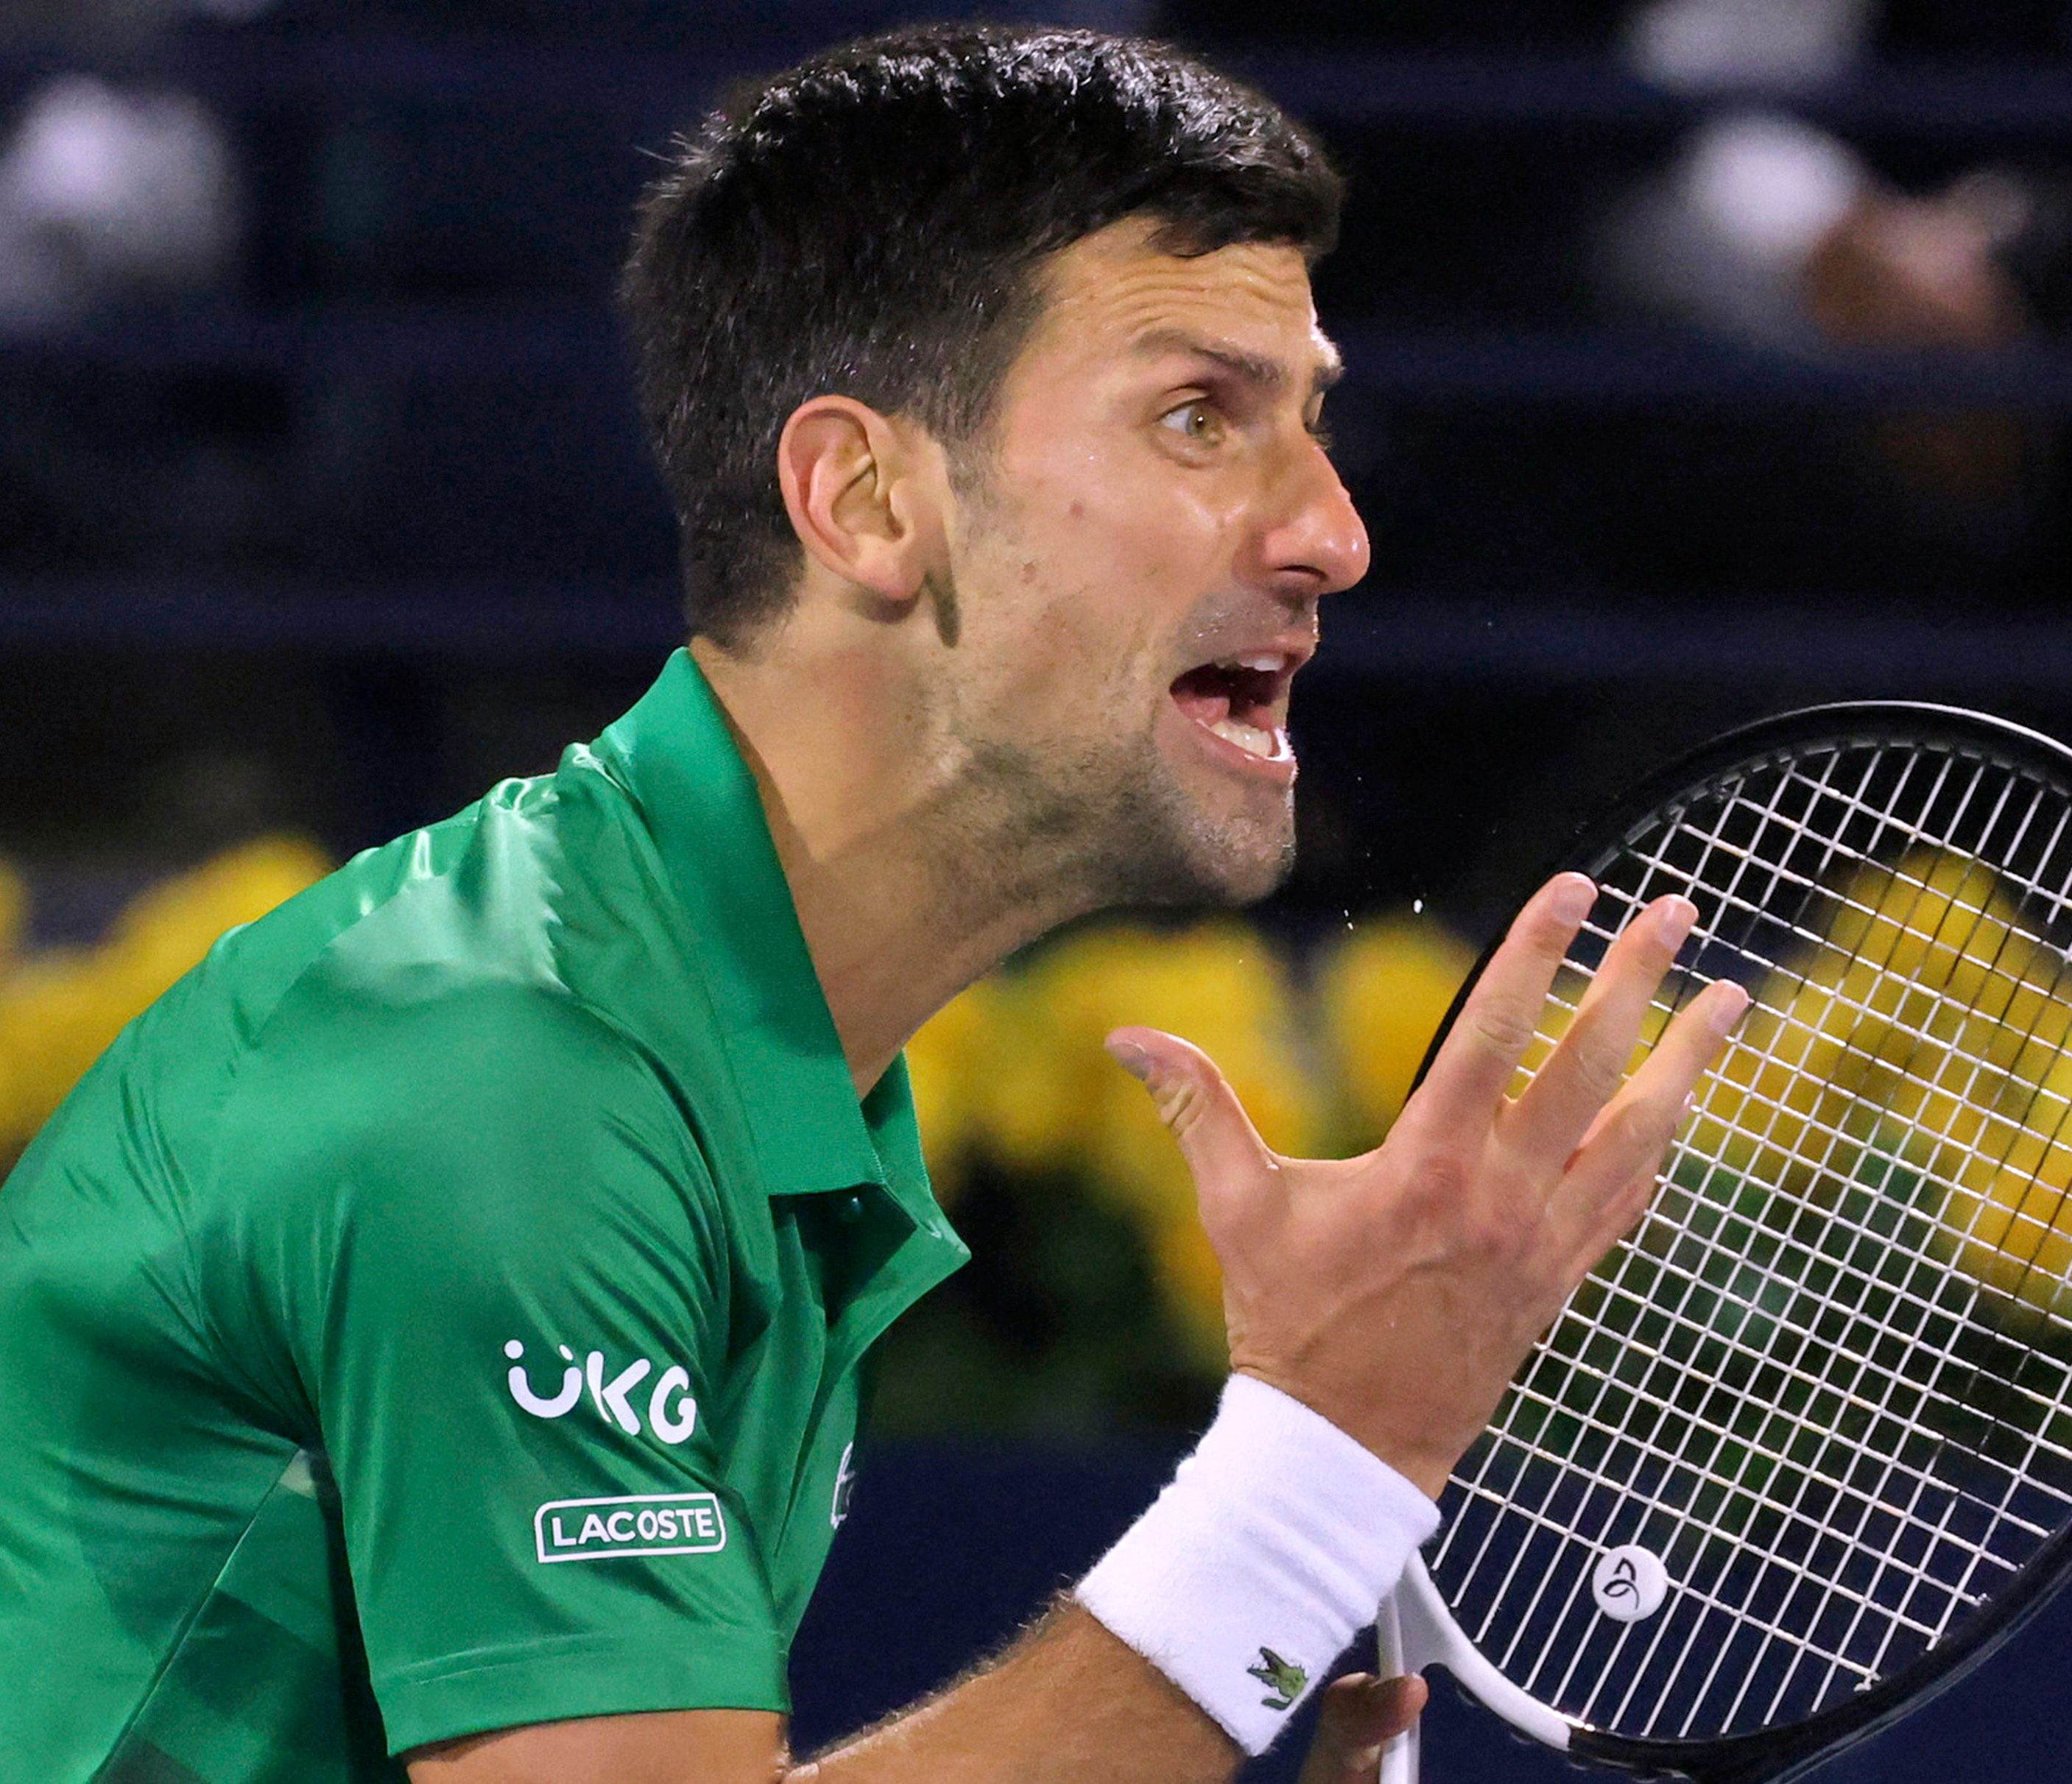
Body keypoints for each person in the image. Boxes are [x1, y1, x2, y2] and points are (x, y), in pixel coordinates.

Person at [0, 25, 1747, 1784]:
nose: (1333, 534)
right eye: (1198, 419)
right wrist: (1324, 1462)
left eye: (1314, 421)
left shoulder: (721, 1045)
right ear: (865, 500)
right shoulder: (512, 1077)